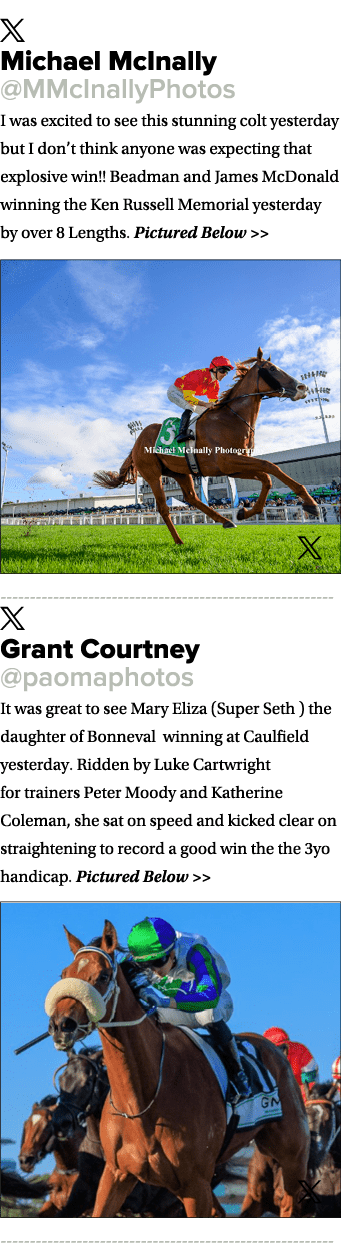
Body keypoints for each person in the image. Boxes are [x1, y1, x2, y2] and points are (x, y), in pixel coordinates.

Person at [127, 915, 251, 1102]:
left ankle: (237, 1073)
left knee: (207, 1015)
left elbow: (209, 996)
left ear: (172, 952)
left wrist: (164, 1002)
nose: (153, 971)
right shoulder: (140, 957)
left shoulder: (195, 951)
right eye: (144, 965)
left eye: (158, 961)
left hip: (215, 1002)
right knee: (143, 1017)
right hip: (177, 1006)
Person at [166, 356, 233, 444]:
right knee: (191, 406)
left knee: (207, 412)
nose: (224, 374)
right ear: (214, 369)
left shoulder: (215, 385)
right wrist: (205, 404)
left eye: (227, 372)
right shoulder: (198, 375)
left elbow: (213, 403)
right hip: (174, 391)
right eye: (223, 371)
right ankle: (181, 434)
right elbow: (188, 398)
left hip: (187, 395)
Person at [263, 1027, 318, 1100]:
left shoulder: (302, 1052)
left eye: (281, 1048)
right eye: (273, 1050)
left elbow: (310, 1083)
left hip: (301, 1096)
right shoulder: (261, 1060)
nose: (278, 1053)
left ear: (287, 1044)